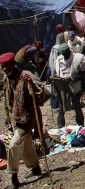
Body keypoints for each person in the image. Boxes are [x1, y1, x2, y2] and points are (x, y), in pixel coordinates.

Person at [1, 53, 44, 188]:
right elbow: (7, 97)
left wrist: (33, 84)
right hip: (14, 117)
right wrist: (8, 115)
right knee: (26, 145)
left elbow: (42, 91)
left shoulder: (25, 76)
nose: (5, 71)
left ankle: (13, 175)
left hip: (26, 118)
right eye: (3, 68)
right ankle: (35, 167)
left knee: (14, 145)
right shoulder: (7, 78)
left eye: (7, 68)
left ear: (13, 66)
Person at [53, 43, 85, 128]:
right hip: (63, 87)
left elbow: (83, 74)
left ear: (69, 51)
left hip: (75, 87)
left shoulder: (78, 58)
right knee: (61, 107)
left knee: (77, 106)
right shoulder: (59, 59)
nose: (64, 56)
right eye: (62, 54)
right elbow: (57, 73)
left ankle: (80, 126)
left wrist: (71, 78)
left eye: (65, 53)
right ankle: (60, 127)